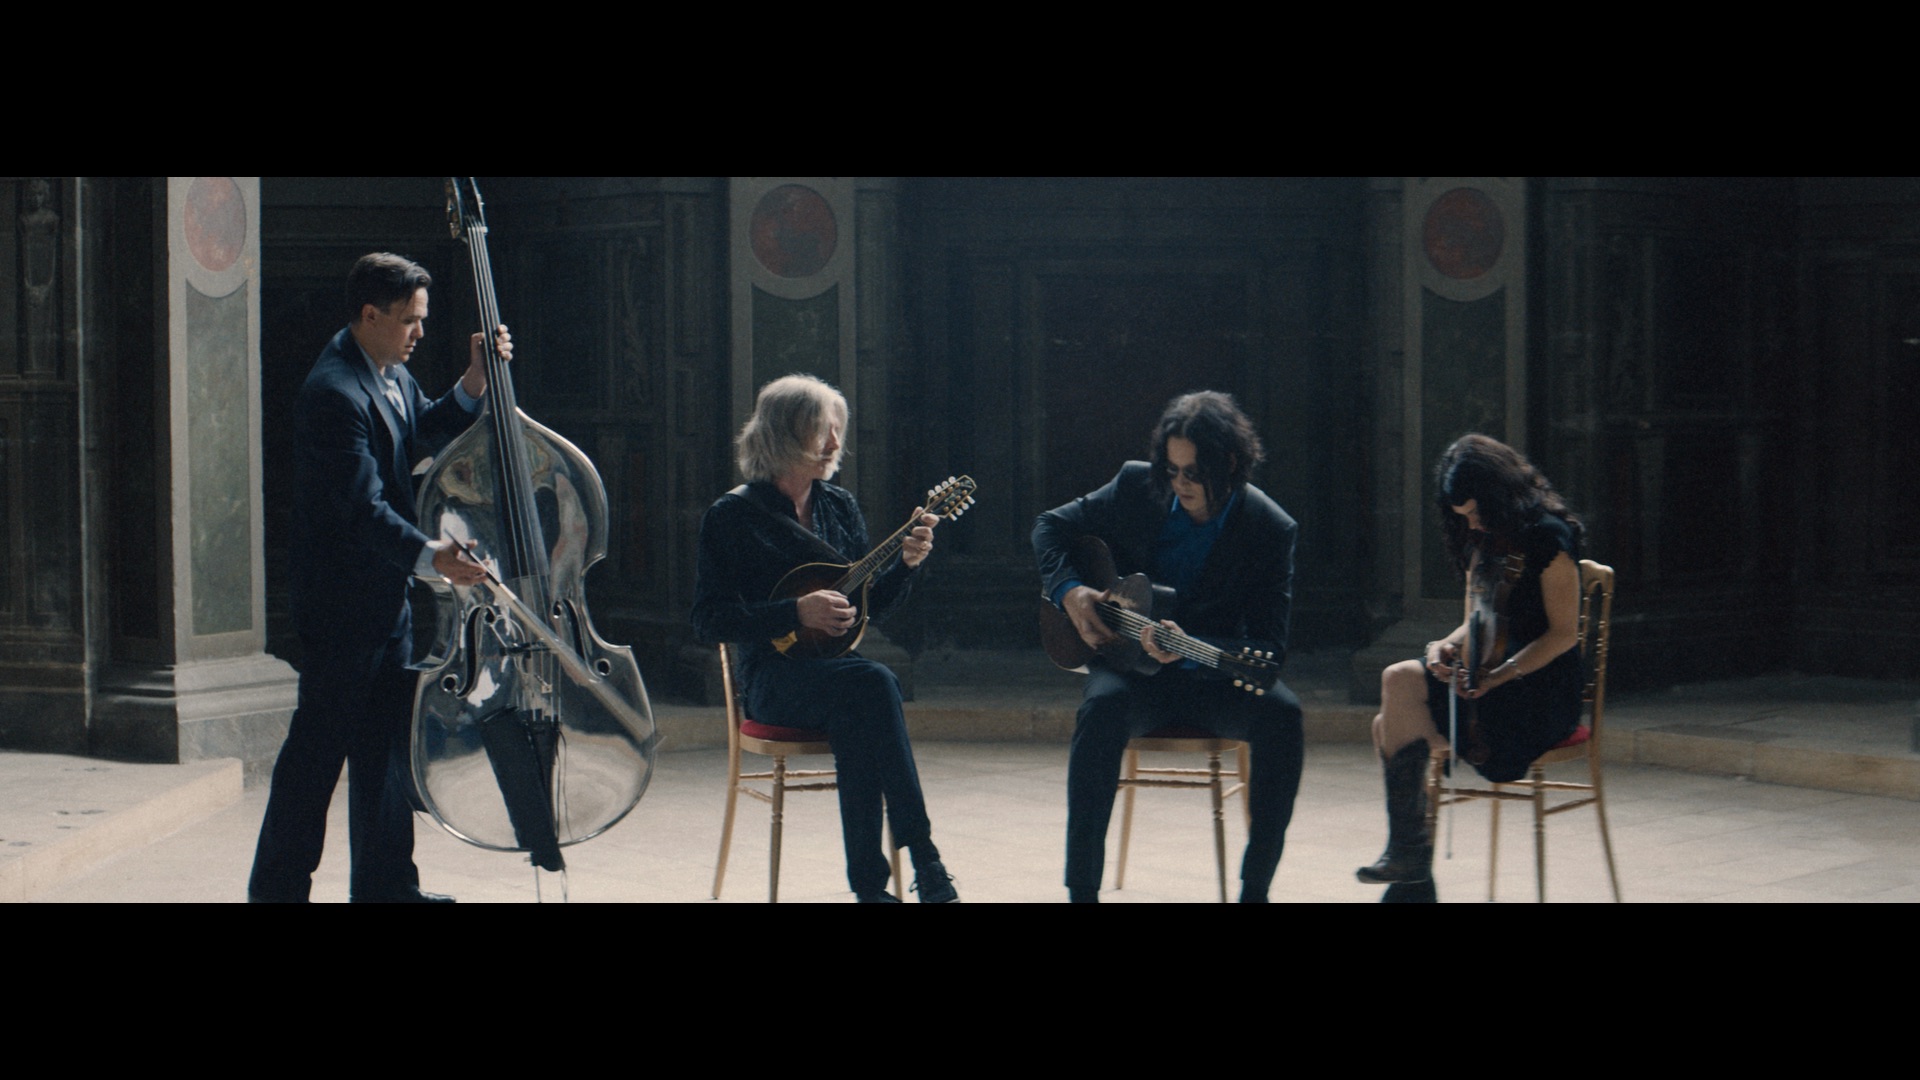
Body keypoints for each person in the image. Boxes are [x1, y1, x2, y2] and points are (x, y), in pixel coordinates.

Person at [248, 252, 508, 903]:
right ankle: (276, 894)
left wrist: (474, 384)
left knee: (385, 758)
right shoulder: (333, 393)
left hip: (382, 602)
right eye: (409, 320)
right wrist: (432, 557)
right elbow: (362, 510)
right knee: (315, 764)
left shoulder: (385, 371)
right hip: (340, 611)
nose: (420, 331)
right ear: (371, 314)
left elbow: (420, 430)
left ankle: (387, 889)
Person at [691, 374, 958, 903]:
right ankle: (923, 858)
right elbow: (709, 619)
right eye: (822, 432)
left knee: (863, 702)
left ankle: (872, 890)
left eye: (838, 430)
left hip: (835, 678)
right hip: (771, 679)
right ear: (781, 436)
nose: (837, 444)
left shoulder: (839, 507)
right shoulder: (733, 516)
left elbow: (868, 610)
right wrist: (795, 612)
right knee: (873, 684)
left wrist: (904, 566)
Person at [1033, 391, 1305, 903]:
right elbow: (1049, 527)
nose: (1179, 485)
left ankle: (1255, 891)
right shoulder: (1139, 484)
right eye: (1173, 470)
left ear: (1228, 463)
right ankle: (1081, 892)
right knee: (1100, 711)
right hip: (1131, 669)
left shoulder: (1269, 527)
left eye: (1192, 473)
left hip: (1213, 676)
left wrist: (1192, 647)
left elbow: (1269, 649)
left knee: (1283, 717)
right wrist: (1069, 592)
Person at [1356, 433, 1585, 903]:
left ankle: (1412, 876)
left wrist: (1502, 674)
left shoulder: (1549, 539)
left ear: (1501, 494)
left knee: (1389, 725)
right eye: (1463, 517)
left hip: (1538, 689)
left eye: (1478, 512)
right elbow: (1475, 622)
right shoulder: (1485, 540)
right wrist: (1444, 645)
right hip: (1490, 678)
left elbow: (1564, 634)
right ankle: (1410, 865)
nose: (1474, 524)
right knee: (1396, 687)